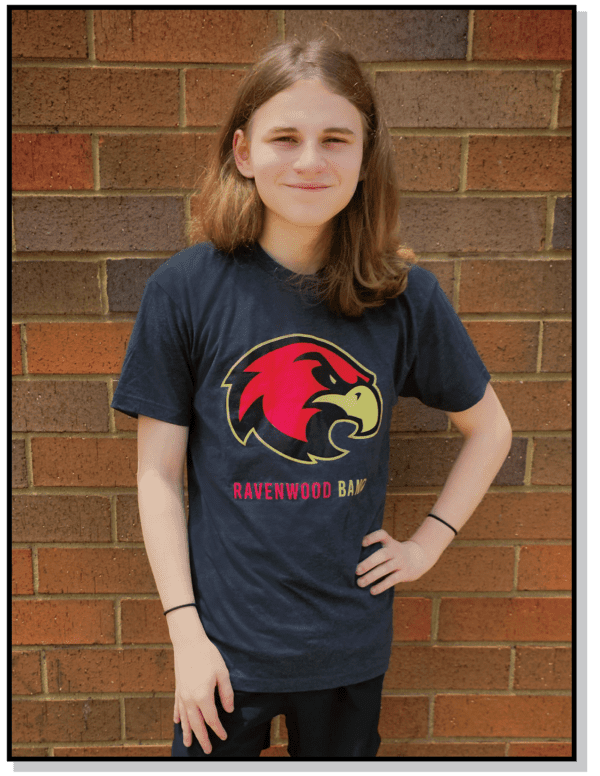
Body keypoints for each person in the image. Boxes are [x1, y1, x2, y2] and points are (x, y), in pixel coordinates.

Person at [111, 38, 512, 759]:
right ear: (242, 151)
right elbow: (157, 477)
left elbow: (491, 431)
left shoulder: (405, 296)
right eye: (284, 137)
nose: (308, 161)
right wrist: (185, 635)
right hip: (223, 652)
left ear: (365, 157)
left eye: (335, 139)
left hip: (348, 650)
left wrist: (427, 544)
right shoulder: (185, 290)